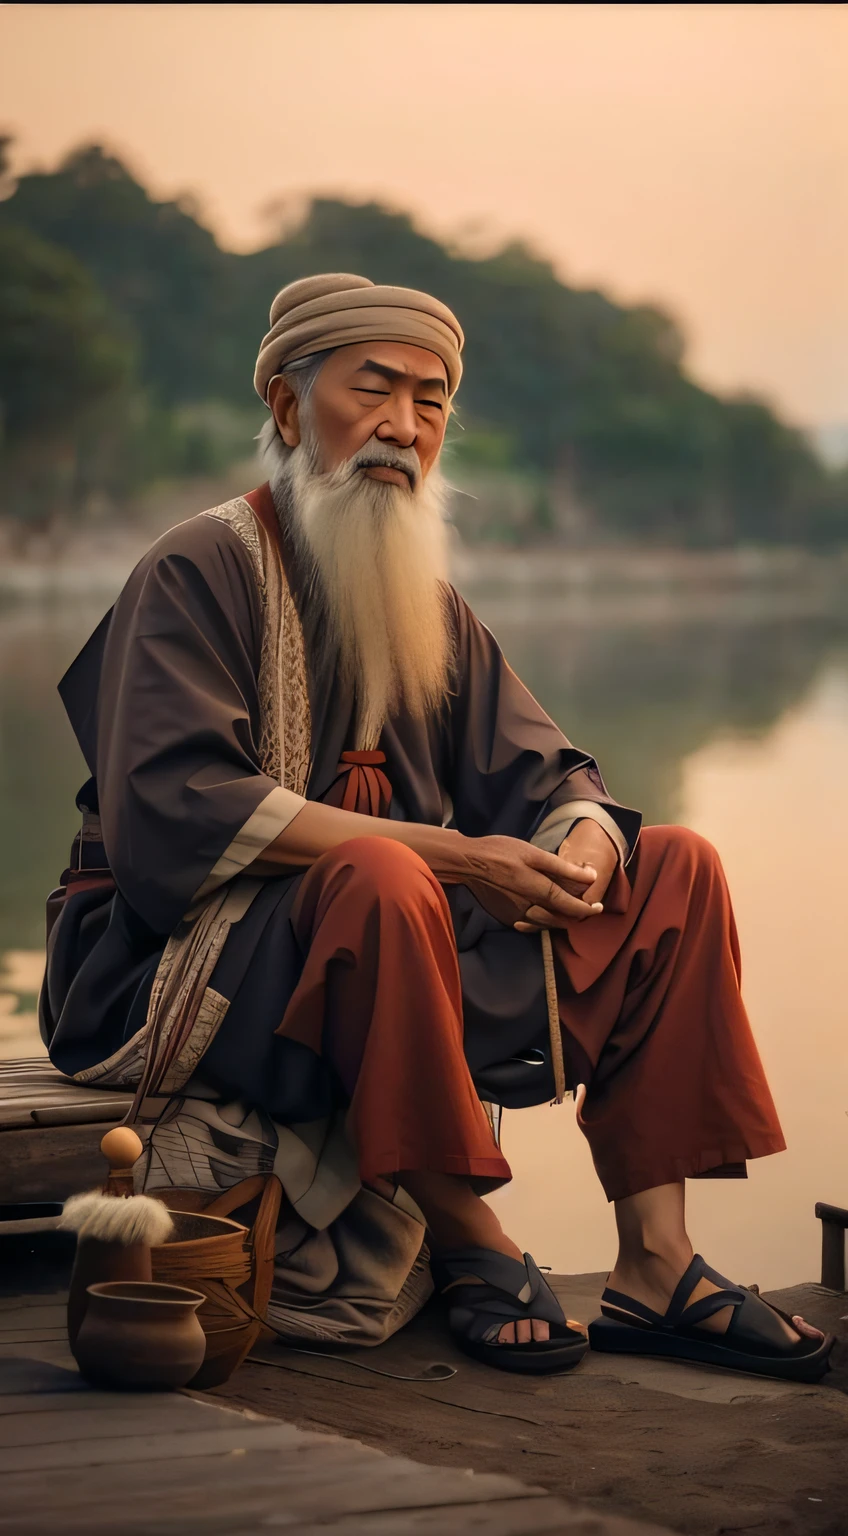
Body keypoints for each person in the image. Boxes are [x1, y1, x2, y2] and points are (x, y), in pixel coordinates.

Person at [41, 273, 830, 1380]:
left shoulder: (430, 604)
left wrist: (587, 839)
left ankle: (655, 1262)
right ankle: (473, 1242)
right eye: (373, 392)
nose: (403, 427)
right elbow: (177, 811)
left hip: (382, 940)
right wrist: (456, 856)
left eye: (430, 400)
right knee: (379, 874)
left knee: (674, 867)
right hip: (182, 962)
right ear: (284, 407)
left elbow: (553, 773)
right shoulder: (198, 566)